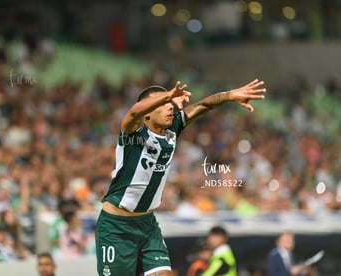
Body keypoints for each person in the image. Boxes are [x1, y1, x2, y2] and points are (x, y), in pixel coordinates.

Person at [96, 79, 266, 276]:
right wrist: (168, 95)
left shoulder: (172, 130)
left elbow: (203, 105)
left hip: (147, 224)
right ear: (148, 113)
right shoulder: (133, 133)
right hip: (116, 227)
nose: (170, 109)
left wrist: (229, 95)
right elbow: (134, 112)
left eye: (171, 105)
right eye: (163, 105)